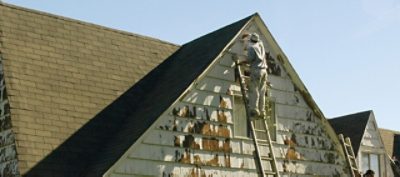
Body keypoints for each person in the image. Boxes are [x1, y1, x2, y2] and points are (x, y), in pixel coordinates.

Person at [246, 33, 268, 118]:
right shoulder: (261, 45)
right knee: (262, 91)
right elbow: (259, 41)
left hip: (256, 71)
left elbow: (249, 59)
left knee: (254, 89)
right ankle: (262, 110)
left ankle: (255, 109)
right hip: (264, 71)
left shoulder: (252, 48)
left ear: (251, 40)